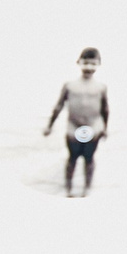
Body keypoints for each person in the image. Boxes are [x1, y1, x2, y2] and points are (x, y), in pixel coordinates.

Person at [42, 47, 109, 198]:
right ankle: (68, 190)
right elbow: (59, 106)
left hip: (93, 128)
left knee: (89, 159)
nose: (89, 67)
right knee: (72, 158)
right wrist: (49, 126)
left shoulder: (101, 87)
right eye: (85, 63)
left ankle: (86, 189)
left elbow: (105, 109)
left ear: (98, 64)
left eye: (93, 64)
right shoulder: (69, 85)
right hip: (73, 128)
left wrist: (105, 128)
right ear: (79, 62)